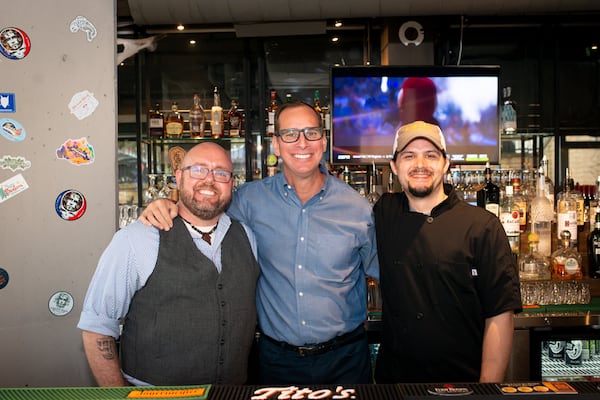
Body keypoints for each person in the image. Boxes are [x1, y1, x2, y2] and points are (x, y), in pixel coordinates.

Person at [140, 101, 379, 385]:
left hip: (346, 359)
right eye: (290, 134)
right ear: (276, 145)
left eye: (311, 133)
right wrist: (168, 202)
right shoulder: (249, 200)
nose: (302, 142)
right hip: (277, 361)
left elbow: (382, 275)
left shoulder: (357, 208)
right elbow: (204, 204)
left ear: (324, 141)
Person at [78, 142, 259, 386]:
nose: (209, 180)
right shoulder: (136, 239)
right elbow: (96, 328)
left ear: (231, 182)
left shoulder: (246, 236)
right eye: (198, 170)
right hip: (153, 391)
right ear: (179, 177)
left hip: (231, 389)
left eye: (221, 173)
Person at [373, 120, 522, 383]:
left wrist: (486, 391)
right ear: (394, 167)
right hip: (395, 383)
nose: (420, 164)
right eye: (409, 156)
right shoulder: (383, 213)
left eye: (431, 155)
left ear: (446, 163)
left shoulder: (482, 226)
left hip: (463, 381)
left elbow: (500, 314)